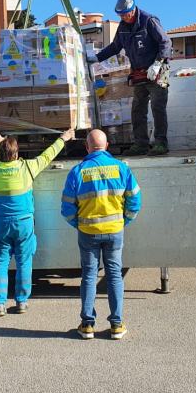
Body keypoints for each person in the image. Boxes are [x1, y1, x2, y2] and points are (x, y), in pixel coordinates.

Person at [61, 129, 142, 340]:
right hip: (115, 231)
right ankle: (116, 324)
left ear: (87, 147)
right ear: (107, 146)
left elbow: (67, 209)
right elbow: (135, 201)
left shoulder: (78, 172)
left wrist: (79, 225)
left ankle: (87, 325)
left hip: (88, 232)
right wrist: (124, 221)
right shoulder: (122, 168)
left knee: (89, 275)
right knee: (114, 275)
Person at [0, 128, 75, 318]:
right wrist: (63, 138)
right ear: (16, 153)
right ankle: (21, 302)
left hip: (1, 223)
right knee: (24, 262)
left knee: (0, 262)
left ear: (0, 153)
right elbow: (47, 155)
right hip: (24, 223)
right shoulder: (27, 168)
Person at [90, 0, 172, 156]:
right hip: (139, 73)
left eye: (126, 14)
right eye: (120, 15)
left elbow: (166, 42)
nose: (124, 17)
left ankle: (161, 143)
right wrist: (96, 58)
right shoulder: (122, 28)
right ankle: (141, 144)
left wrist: (158, 63)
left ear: (133, 9)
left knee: (157, 107)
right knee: (137, 109)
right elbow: (115, 47)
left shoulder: (149, 21)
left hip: (157, 71)